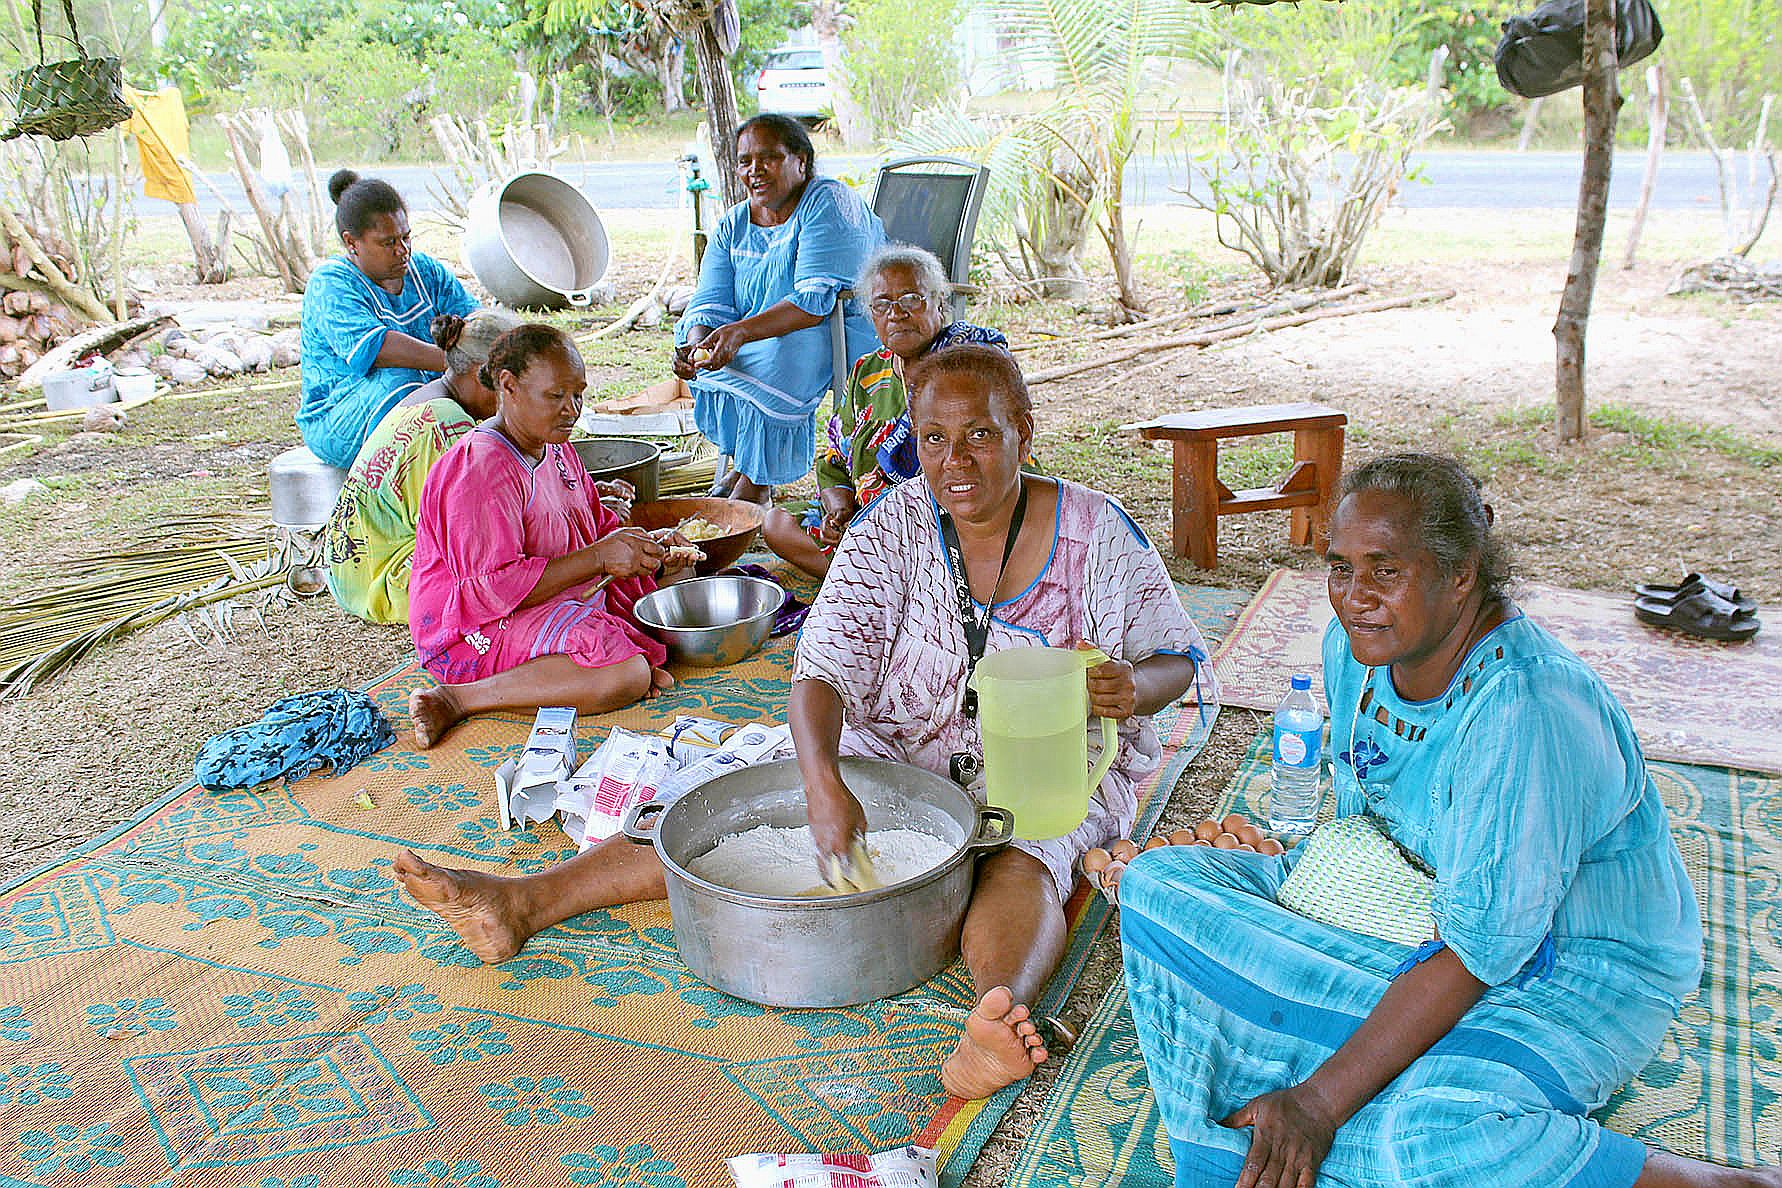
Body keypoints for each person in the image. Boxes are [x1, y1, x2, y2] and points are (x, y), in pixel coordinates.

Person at [392, 345, 1214, 1103]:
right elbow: (821, 670)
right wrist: (821, 782)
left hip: (1040, 768)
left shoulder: (1096, 532)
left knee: (1026, 859)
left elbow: (1178, 657)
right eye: (933, 438)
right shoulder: (892, 527)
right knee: (734, 806)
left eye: (979, 436)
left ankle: (997, 1020)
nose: (955, 462)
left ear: (1023, 434)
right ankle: (520, 904)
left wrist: (1129, 688)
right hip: (897, 743)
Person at [1117, 454, 1779, 1188]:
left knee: (1431, 1139)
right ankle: (1365, 1064)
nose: (1355, 597)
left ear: (1460, 572)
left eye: (1386, 571)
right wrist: (1315, 875)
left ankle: (1709, 1182)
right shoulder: (1358, 651)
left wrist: (1318, 1102)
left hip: (1569, 962)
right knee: (1158, 885)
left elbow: (1481, 951)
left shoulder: (1525, 709)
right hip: (1413, 912)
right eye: (1340, 567)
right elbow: (1367, 821)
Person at [406, 325, 698, 749]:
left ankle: (567, 672)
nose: (572, 409)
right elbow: (492, 590)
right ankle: (458, 698)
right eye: (556, 396)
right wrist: (600, 559)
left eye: (577, 394)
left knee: (676, 588)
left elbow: (594, 524)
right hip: (476, 626)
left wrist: (645, 552)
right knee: (625, 674)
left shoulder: (554, 446)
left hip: (548, 596)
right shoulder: (481, 470)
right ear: (508, 387)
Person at [672, 114, 885, 504]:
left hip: (842, 327)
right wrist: (698, 344)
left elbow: (814, 302)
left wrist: (738, 333)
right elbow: (709, 301)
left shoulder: (827, 202)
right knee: (729, 358)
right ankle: (748, 468)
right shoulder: (734, 223)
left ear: (801, 161)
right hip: (762, 331)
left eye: (769, 157)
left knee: (780, 357)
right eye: (744, 161)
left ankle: (753, 486)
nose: (754, 170)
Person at [762, 244, 1007, 578]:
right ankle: (862, 579)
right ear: (871, 314)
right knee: (777, 522)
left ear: (938, 302)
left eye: (911, 299)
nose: (896, 313)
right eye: (882, 304)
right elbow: (836, 459)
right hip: (868, 520)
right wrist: (839, 507)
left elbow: (989, 461)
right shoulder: (867, 372)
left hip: (949, 518)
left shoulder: (970, 365)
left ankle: (866, 579)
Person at [323, 309, 518, 625]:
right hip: (384, 580)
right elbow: (474, 530)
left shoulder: (426, 399)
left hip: (352, 573)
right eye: (512, 385)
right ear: (484, 374)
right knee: (511, 572)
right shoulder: (448, 426)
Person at [298, 169, 478, 469]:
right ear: (351, 242)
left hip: (429, 395)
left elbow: (473, 317)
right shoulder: (331, 282)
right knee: (404, 384)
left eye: (406, 237)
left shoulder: (426, 271)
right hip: (337, 417)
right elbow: (377, 348)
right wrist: (455, 362)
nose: (402, 250)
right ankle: (409, 490)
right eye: (388, 242)